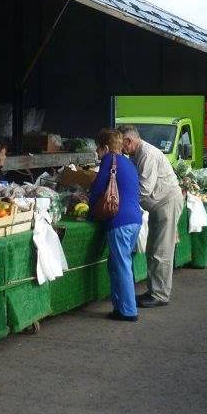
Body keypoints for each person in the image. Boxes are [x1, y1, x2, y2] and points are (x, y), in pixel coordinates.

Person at [118, 124, 184, 308]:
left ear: (129, 141)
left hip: (167, 203)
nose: (119, 149)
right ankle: (154, 291)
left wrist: (121, 202)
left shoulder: (147, 154)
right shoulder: (136, 154)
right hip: (159, 205)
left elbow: (144, 189)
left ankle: (160, 295)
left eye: (120, 144)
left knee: (161, 251)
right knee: (154, 249)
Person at [88, 129, 143, 322]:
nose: (96, 151)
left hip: (119, 221)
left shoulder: (109, 161)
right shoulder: (128, 163)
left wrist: (88, 210)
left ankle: (128, 311)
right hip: (135, 219)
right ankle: (120, 306)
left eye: (98, 147)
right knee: (117, 263)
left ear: (104, 147)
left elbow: (96, 190)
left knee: (121, 265)